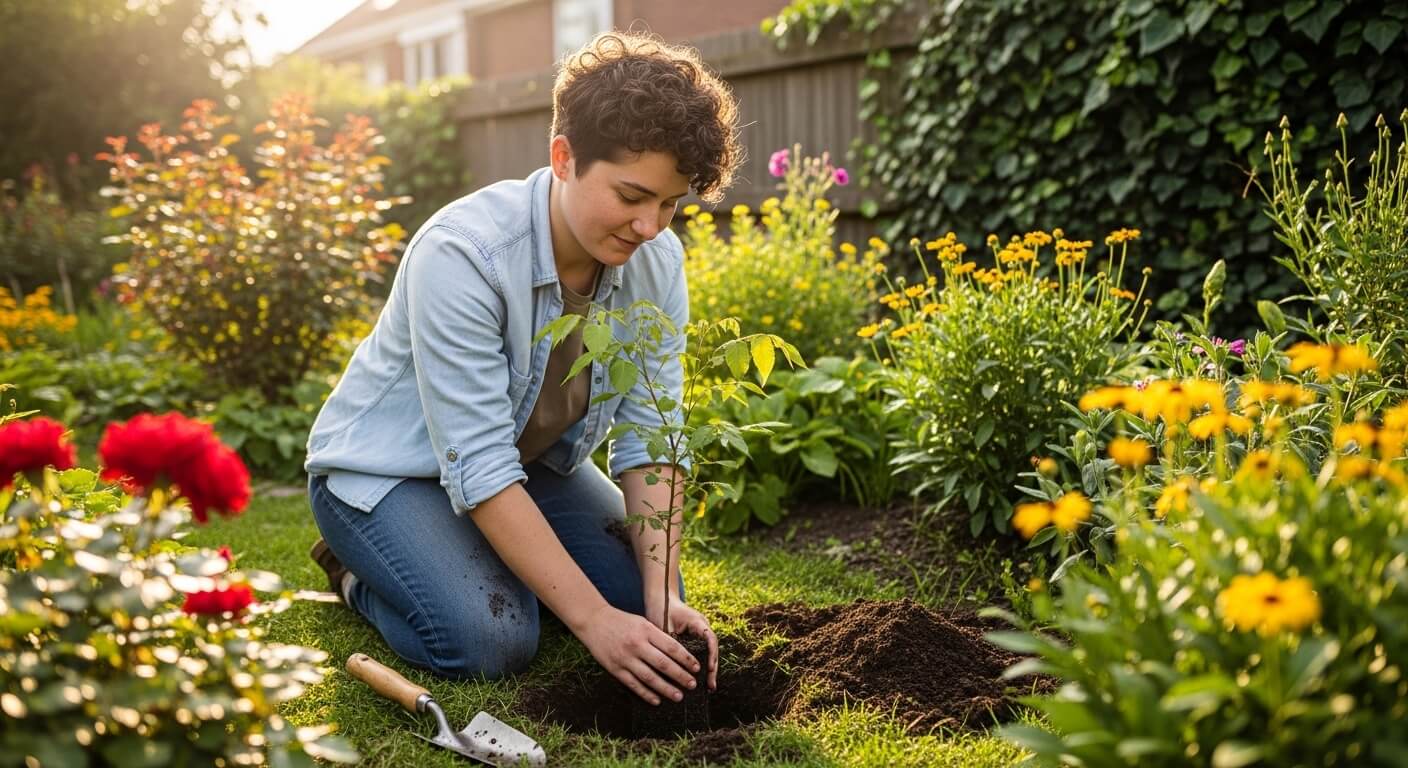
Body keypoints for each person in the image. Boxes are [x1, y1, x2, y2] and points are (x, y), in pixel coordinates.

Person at [302, 30, 742, 708]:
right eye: (631, 196)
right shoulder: (464, 256)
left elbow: (652, 430)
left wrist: (659, 591)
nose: (651, 226)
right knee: (493, 639)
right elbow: (477, 464)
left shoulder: (656, 262)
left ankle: (526, 578)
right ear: (563, 158)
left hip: (526, 465)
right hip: (385, 475)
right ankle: (358, 573)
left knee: (646, 603)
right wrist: (593, 622)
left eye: (670, 203)